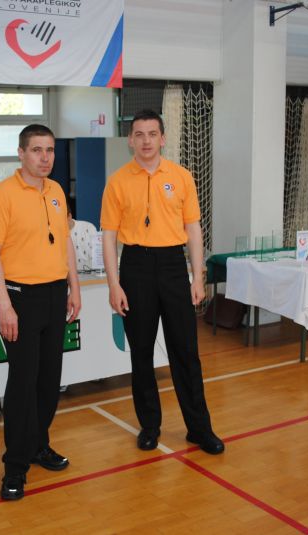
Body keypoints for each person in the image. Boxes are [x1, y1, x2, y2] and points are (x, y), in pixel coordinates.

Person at [100, 109, 224, 456]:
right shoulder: (117, 181)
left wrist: (198, 276)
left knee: (186, 351)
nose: (146, 141)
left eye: (152, 134)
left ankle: (199, 428)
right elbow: (108, 237)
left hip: (173, 266)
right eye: (139, 134)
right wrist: (114, 284)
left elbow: (194, 229)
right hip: (135, 267)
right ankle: (149, 426)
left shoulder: (182, 177)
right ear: (130, 140)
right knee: (141, 353)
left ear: (163, 138)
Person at [0, 124, 81, 501]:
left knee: (48, 381)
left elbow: (65, 242)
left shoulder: (55, 191)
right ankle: (15, 467)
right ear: (21, 153)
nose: (45, 157)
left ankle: (39, 445)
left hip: (55, 295)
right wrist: (4, 305)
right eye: (37, 150)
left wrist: (73, 287)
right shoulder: (2, 194)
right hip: (20, 298)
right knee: (23, 384)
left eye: (50, 150)